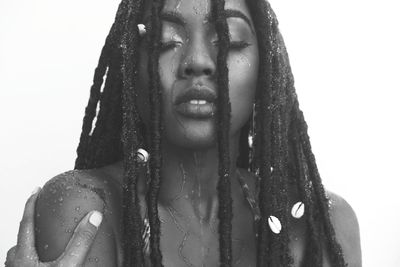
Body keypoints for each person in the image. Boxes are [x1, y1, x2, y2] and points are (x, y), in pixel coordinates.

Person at [5, 0, 362, 266]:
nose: (198, 61)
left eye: (229, 38)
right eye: (165, 40)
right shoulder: (87, 210)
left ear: (266, 68)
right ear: (131, 71)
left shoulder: (318, 225)